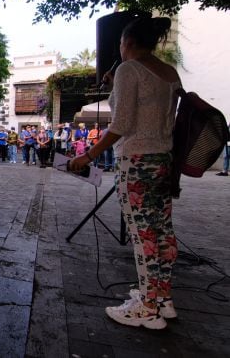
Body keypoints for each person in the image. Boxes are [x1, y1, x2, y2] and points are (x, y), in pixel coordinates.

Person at [69, 17, 181, 330]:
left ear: (127, 43)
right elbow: (149, 111)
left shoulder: (129, 69)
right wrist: (113, 86)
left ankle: (147, 308)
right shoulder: (169, 73)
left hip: (136, 160)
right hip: (163, 159)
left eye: (120, 43)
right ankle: (162, 297)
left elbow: (122, 124)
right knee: (162, 230)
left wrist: (88, 155)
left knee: (142, 233)